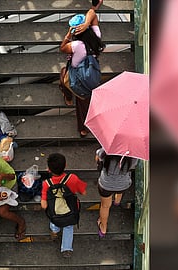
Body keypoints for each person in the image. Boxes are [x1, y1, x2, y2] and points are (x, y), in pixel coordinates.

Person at [59, 9, 105, 137]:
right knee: (84, 103)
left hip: (78, 79)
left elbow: (62, 48)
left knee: (63, 74)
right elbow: (93, 12)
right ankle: (83, 129)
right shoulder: (96, 36)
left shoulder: (76, 45)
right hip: (91, 74)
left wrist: (68, 35)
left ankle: (68, 97)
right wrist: (87, 23)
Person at [41, 153, 87, 258]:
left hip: (55, 215)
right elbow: (83, 192)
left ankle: (54, 233)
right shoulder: (73, 178)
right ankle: (66, 249)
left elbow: (44, 205)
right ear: (65, 165)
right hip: (70, 212)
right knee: (68, 227)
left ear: (49, 169)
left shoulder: (46, 184)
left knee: (54, 223)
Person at [95, 148, 138, 238]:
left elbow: (98, 159)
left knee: (105, 206)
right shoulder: (132, 156)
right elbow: (132, 167)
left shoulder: (105, 151)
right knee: (120, 191)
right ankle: (117, 201)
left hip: (106, 184)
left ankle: (103, 228)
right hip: (123, 184)